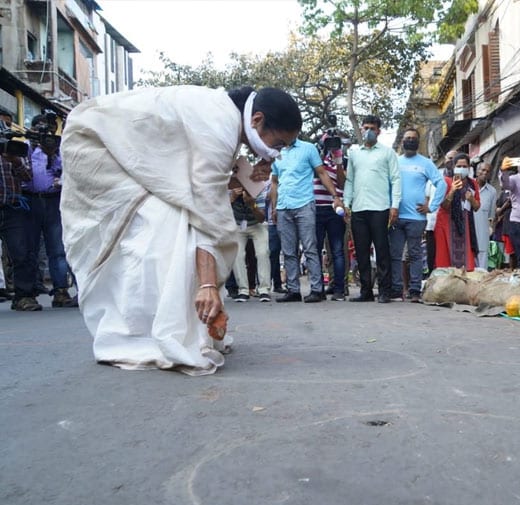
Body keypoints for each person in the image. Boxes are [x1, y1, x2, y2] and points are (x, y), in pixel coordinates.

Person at [60, 86, 301, 375]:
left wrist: (260, 162)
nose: (278, 152)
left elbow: (206, 194)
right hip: (97, 148)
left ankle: (184, 328)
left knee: (183, 230)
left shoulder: (228, 118)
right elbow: (206, 213)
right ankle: (147, 334)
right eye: (279, 143)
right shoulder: (220, 126)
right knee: (170, 233)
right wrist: (208, 284)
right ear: (257, 119)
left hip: (116, 148)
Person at [270, 138, 342, 303]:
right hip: (283, 207)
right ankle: (293, 290)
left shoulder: (308, 148)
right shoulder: (277, 153)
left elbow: (322, 172)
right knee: (288, 251)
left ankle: (317, 289)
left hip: (304, 204)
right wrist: (274, 207)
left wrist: (335, 196)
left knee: (310, 248)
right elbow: (274, 182)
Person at [344, 115, 401, 303]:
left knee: (382, 250)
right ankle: (365, 291)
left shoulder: (387, 153)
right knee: (361, 252)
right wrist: (347, 204)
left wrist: (395, 205)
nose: (368, 130)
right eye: (365, 127)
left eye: (372, 128)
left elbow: (395, 179)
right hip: (359, 208)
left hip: (380, 207)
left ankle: (385, 291)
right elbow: (350, 180)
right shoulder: (354, 153)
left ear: (378, 131)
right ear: (361, 129)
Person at [390, 128, 446, 301]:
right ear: (402, 141)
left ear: (418, 141)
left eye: (414, 138)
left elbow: (441, 184)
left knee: (415, 254)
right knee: (395, 254)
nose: (410, 140)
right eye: (407, 138)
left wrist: (432, 206)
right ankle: (397, 289)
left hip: (416, 218)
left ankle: (415, 290)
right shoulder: (395, 162)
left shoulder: (426, 163)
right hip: (396, 216)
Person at [25, 123, 78, 308]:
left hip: (54, 201)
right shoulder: (27, 150)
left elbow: (68, 173)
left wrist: (54, 159)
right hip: (30, 201)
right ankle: (27, 294)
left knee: (57, 250)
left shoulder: (60, 153)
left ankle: (60, 291)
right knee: (28, 250)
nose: (49, 141)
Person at [0, 108, 38, 311]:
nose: (3, 128)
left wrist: (14, 161)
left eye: (6, 125)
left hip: (13, 207)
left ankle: (24, 297)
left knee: (21, 253)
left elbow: (28, 176)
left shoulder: (16, 149)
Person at [314, 135, 347, 301]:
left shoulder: (339, 161)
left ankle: (339, 289)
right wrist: (319, 153)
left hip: (335, 209)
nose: (330, 146)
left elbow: (342, 183)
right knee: (316, 250)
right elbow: (315, 173)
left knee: (337, 250)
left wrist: (339, 160)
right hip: (316, 209)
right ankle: (317, 288)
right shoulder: (314, 160)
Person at [435, 153, 481, 270]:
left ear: (469, 167)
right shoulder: (445, 181)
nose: (462, 168)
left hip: (465, 226)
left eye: (465, 166)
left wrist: (471, 199)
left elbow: (476, 207)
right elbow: (444, 206)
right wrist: (452, 191)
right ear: (454, 166)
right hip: (447, 225)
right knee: (446, 261)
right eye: (459, 166)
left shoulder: (473, 183)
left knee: (466, 262)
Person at [229, 177, 271, 302]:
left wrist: (252, 204)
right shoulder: (228, 188)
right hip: (237, 224)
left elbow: (262, 218)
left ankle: (264, 290)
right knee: (237, 255)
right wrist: (232, 198)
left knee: (262, 253)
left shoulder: (259, 188)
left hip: (257, 224)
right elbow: (221, 211)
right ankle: (243, 290)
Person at [472, 161, 497, 270]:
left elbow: (491, 216)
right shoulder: (468, 187)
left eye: (488, 171)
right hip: (468, 235)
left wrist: (491, 229)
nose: (485, 173)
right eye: (483, 170)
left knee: (482, 270)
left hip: (483, 235)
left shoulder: (492, 191)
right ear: (477, 172)